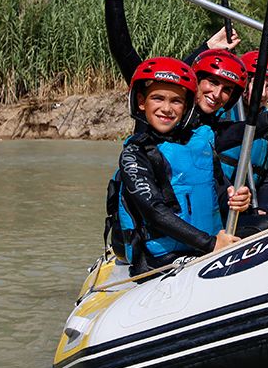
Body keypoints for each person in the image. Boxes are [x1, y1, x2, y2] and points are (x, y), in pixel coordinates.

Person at [104, 0, 268, 224]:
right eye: (211, 84)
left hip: (199, 230)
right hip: (158, 237)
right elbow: (123, 50)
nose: (217, 94)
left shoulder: (214, 132)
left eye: (227, 90)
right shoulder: (157, 113)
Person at [107, 56, 250, 275]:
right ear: (141, 101)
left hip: (207, 247)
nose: (167, 108)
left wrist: (236, 198)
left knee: (265, 223)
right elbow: (155, 213)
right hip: (161, 259)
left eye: (176, 101)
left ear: (187, 107)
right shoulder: (135, 154)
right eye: (158, 98)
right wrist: (211, 245)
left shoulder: (201, 140)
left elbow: (220, 190)